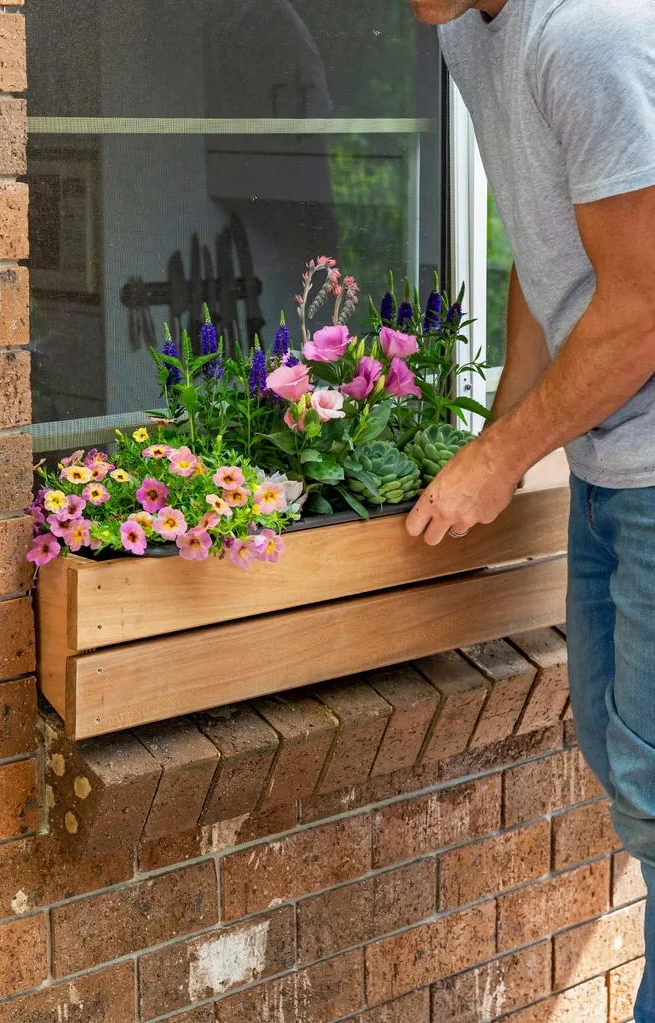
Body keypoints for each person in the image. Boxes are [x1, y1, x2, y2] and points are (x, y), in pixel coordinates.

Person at [405, 1, 655, 1018]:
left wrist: (501, 456)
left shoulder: (587, 34)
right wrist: (498, 441)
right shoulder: (469, 28)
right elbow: (548, 247)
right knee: (623, 766)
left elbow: (640, 307)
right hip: (607, 468)